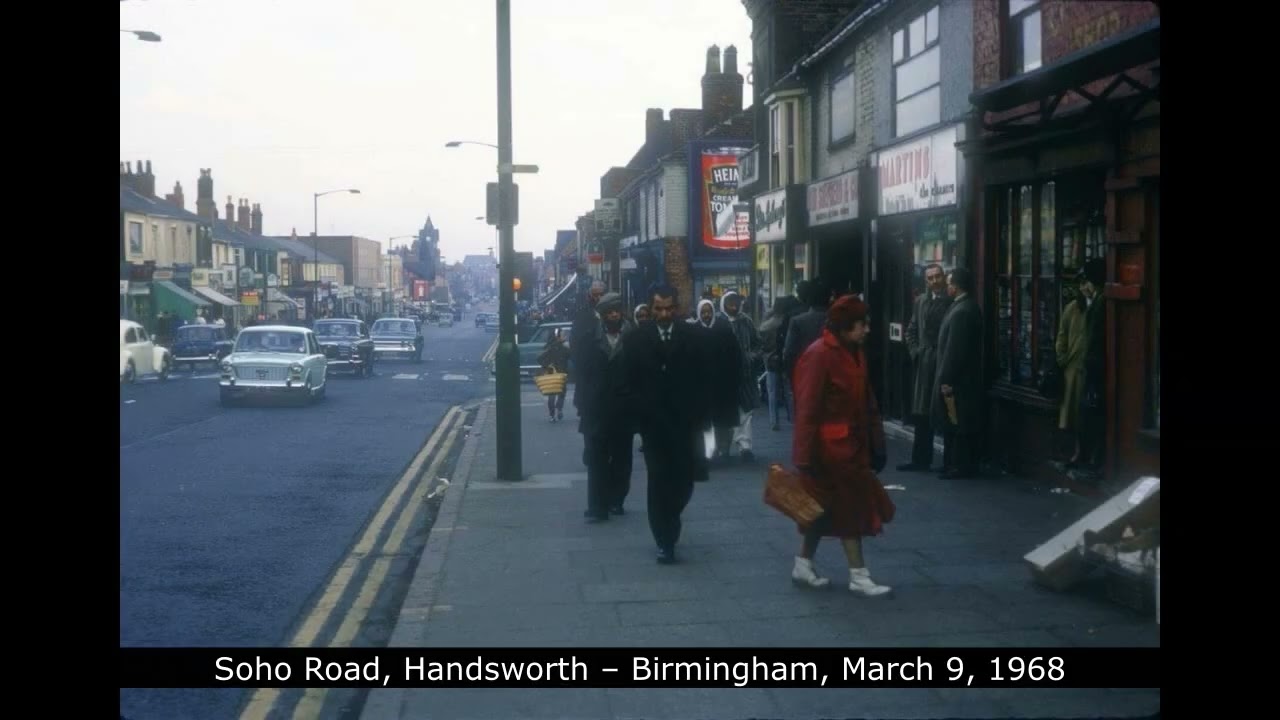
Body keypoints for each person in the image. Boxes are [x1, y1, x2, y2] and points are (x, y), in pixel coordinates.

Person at [791, 294, 894, 596]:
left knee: (822, 510)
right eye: (862, 324)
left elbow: (868, 401)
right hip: (829, 451)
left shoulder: (854, 352)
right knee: (850, 508)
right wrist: (804, 457)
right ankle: (858, 575)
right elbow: (807, 409)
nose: (867, 330)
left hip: (851, 447)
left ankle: (803, 564)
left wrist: (877, 443)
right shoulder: (819, 354)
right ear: (846, 326)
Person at [624, 284, 710, 564]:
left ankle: (671, 516)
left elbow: (704, 379)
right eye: (658, 309)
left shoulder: (693, 337)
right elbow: (628, 380)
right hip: (654, 426)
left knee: (685, 481)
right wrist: (638, 415)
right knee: (659, 480)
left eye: (668, 308)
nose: (664, 314)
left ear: (677, 307)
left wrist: (702, 414)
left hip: (686, 424)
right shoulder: (636, 339)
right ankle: (664, 539)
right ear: (651, 309)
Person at [576, 292, 636, 521]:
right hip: (596, 409)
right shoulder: (589, 338)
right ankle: (597, 506)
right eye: (609, 312)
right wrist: (582, 405)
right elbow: (581, 375)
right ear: (602, 315)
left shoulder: (633, 338)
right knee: (596, 459)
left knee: (622, 459)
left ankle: (616, 501)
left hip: (623, 408)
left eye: (617, 311)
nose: (614, 315)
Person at [899, 264, 952, 472]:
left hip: (943, 361)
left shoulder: (951, 301)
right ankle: (920, 460)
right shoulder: (920, 301)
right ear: (925, 281)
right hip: (924, 364)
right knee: (921, 413)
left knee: (946, 410)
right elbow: (911, 330)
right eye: (930, 278)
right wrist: (916, 352)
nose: (934, 281)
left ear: (944, 277)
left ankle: (950, 462)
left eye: (938, 276)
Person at [932, 267, 984, 479]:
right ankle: (952, 464)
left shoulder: (963, 311)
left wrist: (946, 379)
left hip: (959, 381)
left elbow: (955, 350)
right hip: (961, 379)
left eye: (950, 283)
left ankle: (958, 465)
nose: (947, 286)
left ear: (957, 286)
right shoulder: (961, 306)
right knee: (953, 421)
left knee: (957, 422)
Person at [692, 298, 741, 465]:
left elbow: (735, 354)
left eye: (709, 311)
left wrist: (735, 377)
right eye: (703, 312)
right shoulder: (694, 332)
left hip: (723, 382)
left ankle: (724, 448)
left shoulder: (723, 328)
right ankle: (709, 451)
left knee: (724, 419)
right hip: (702, 384)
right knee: (706, 421)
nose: (706, 315)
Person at [719, 291, 762, 461]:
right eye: (730, 303)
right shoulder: (719, 322)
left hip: (745, 375)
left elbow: (758, 343)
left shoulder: (746, 321)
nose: (734, 306)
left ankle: (745, 446)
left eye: (736, 302)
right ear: (724, 304)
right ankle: (724, 447)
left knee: (746, 412)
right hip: (724, 375)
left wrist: (752, 357)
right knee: (725, 412)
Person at [1075, 259, 1107, 480]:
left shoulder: (1100, 302)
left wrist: (1089, 363)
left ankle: (1092, 460)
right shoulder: (1097, 300)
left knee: (1091, 415)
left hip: (1095, 368)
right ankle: (1089, 458)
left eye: (1086, 280)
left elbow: (1095, 337)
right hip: (1094, 366)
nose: (1084, 286)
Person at [1055, 280, 1088, 465]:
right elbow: (1062, 335)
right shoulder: (1072, 308)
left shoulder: (1097, 306)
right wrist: (1062, 358)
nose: (1084, 288)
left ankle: (1082, 452)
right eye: (1081, 284)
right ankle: (1074, 452)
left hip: (1087, 368)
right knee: (1072, 414)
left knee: (1084, 414)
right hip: (1073, 368)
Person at [760, 296, 800, 431]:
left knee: (772, 392)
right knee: (788, 391)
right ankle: (792, 418)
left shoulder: (767, 323)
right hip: (784, 359)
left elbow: (762, 338)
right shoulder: (788, 321)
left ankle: (774, 421)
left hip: (770, 360)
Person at [783, 278, 833, 378]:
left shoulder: (797, 321)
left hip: (804, 374)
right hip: (831, 375)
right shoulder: (838, 321)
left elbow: (789, 352)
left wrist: (792, 377)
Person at [537, 329, 571, 422]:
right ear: (557, 337)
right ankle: (559, 409)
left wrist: (547, 366)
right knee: (562, 393)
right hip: (562, 375)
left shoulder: (549, 348)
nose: (565, 337)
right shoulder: (564, 349)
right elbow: (572, 357)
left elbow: (539, 359)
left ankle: (552, 415)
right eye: (563, 335)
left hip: (551, 374)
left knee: (551, 395)